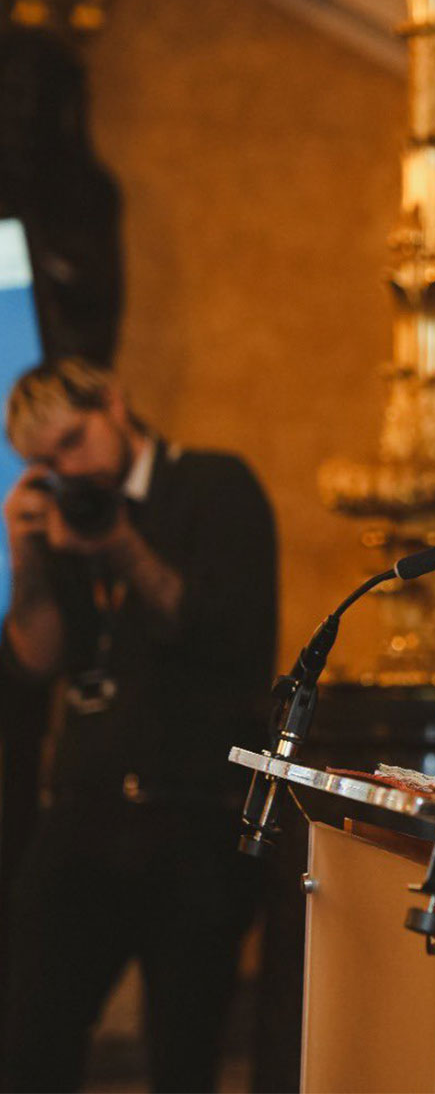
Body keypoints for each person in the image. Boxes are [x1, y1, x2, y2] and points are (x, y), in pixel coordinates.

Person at [0, 358, 277, 1091]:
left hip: (196, 821)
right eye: (44, 462)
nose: (68, 469)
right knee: (27, 1039)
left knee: (183, 1056)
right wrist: (26, 557)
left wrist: (121, 548)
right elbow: (35, 662)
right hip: (83, 817)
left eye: (73, 442)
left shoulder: (215, 488)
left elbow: (227, 634)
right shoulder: (63, 515)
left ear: (115, 404)